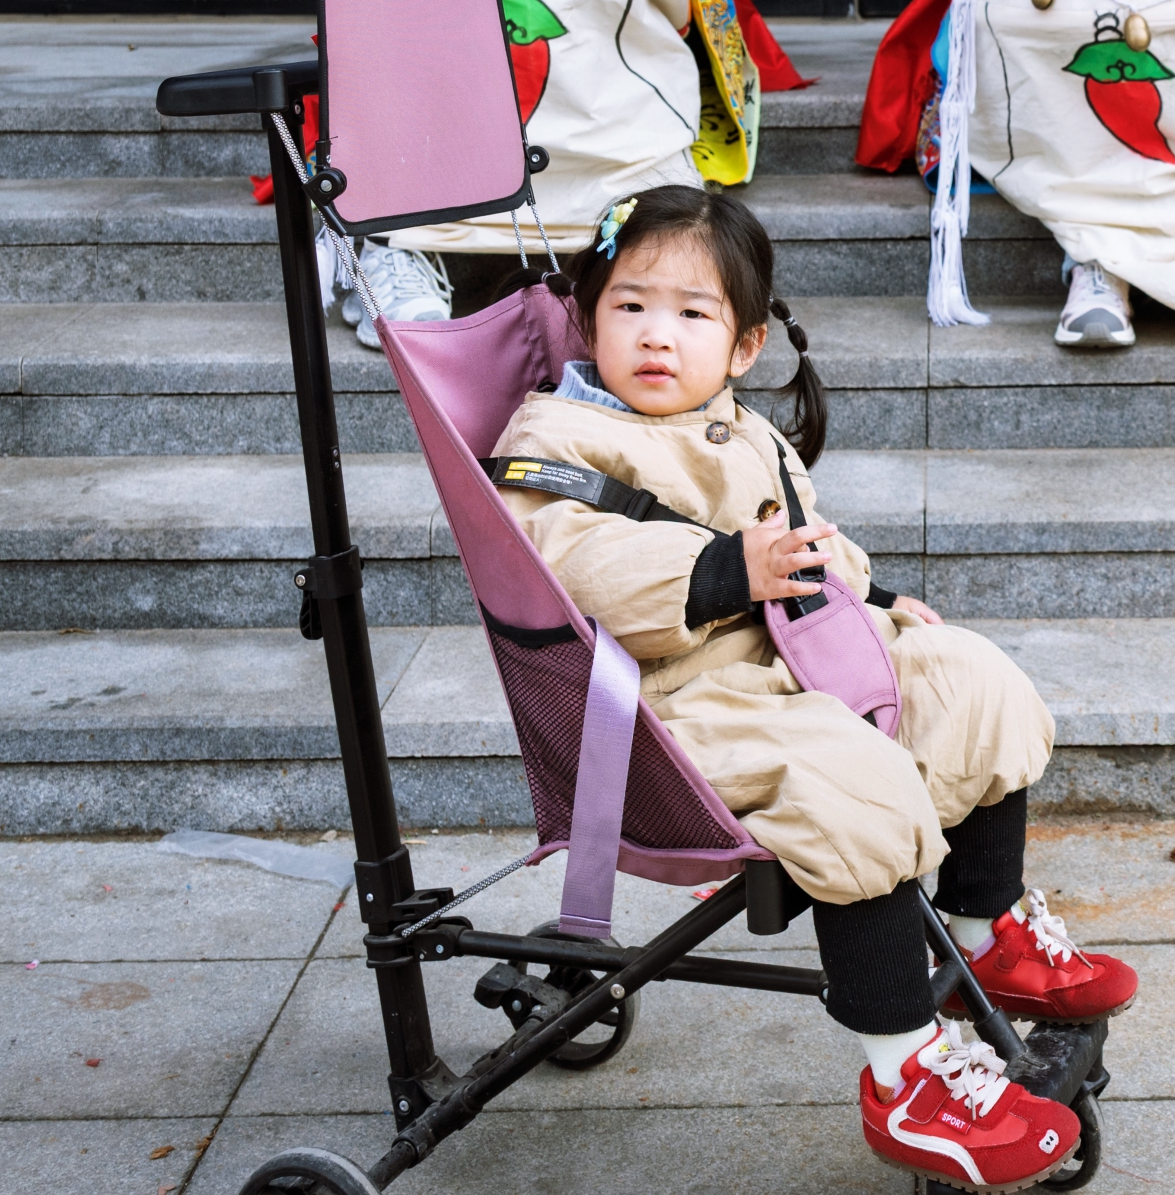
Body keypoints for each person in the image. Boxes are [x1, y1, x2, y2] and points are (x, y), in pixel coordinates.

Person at [488, 185, 1138, 1184]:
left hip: (799, 660)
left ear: (743, 346)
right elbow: (571, 567)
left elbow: (809, 540)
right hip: (669, 707)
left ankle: (987, 932)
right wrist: (720, 572)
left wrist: (873, 594)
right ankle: (906, 1076)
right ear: (587, 317)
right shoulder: (558, 442)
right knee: (853, 782)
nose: (657, 334)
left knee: (975, 681)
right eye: (630, 305)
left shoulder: (739, 425)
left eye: (691, 313)